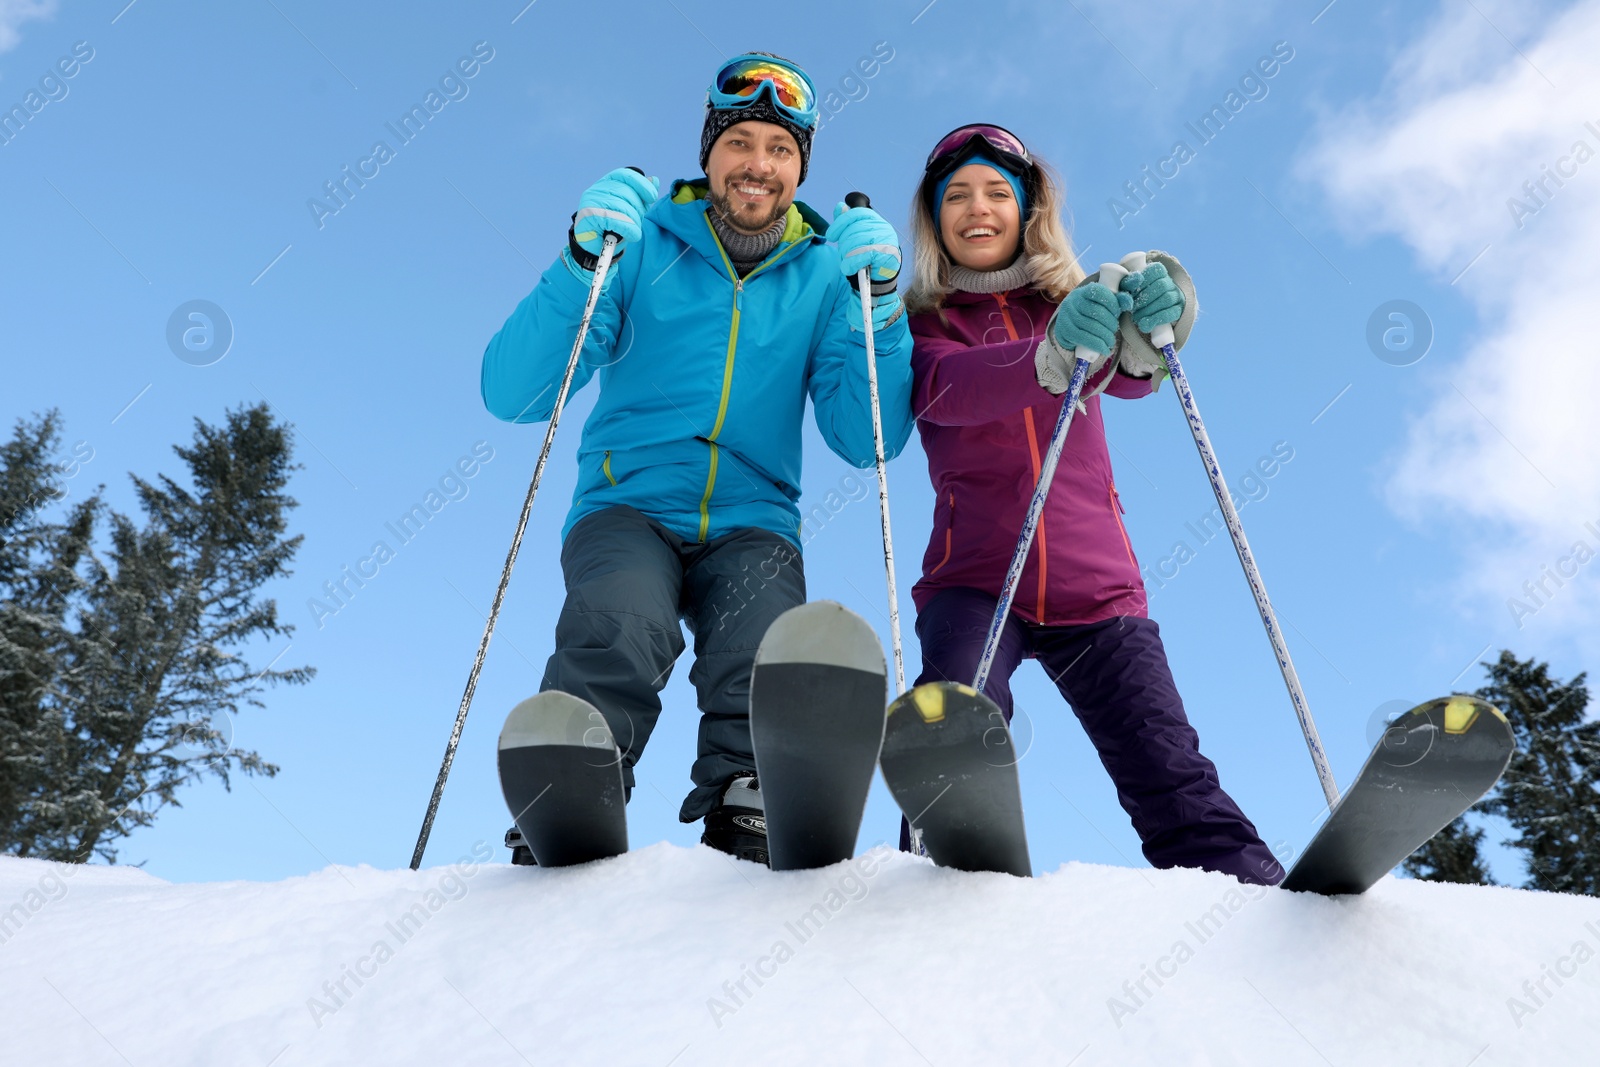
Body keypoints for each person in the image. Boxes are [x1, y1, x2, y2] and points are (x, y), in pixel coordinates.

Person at [480, 53, 913, 867]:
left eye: (780, 150)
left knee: (761, 643)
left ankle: (749, 788)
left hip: (755, 517)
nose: (758, 164)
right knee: (621, 618)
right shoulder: (644, 243)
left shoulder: (824, 272)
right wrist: (583, 263)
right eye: (740, 141)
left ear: (800, 167)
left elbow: (870, 441)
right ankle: (584, 767)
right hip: (628, 501)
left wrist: (878, 312)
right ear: (708, 154)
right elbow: (515, 392)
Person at [899, 123, 1281, 885]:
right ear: (934, 219)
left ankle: (1246, 887)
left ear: (1028, 211)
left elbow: (1135, 376)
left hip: (1098, 590)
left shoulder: (1073, 305)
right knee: (955, 711)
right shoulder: (922, 323)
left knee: (1168, 763)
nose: (979, 209)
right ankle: (943, 866)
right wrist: (1043, 357)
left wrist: (1153, 324)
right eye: (958, 196)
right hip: (975, 584)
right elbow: (946, 391)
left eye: (998, 193)